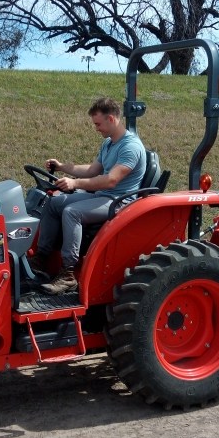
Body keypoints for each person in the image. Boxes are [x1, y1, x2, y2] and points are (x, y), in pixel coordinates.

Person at [32, 97, 146, 294]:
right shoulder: (109, 144)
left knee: (72, 212)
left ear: (111, 119)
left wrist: (74, 183)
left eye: (98, 124)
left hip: (119, 201)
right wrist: (62, 167)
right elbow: (92, 170)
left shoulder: (131, 147)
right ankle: (41, 259)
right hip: (102, 196)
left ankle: (68, 274)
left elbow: (111, 180)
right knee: (53, 203)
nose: (96, 128)